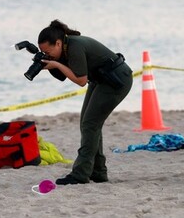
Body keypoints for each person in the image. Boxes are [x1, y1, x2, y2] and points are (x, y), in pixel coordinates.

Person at [35, 20, 133, 185]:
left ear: (58, 43)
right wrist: (50, 64)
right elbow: (64, 75)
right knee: (88, 124)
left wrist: (56, 64)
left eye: (48, 51)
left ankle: (80, 174)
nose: (47, 54)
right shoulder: (65, 47)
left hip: (117, 80)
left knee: (90, 124)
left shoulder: (74, 46)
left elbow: (80, 80)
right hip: (101, 80)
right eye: (43, 52)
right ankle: (98, 172)